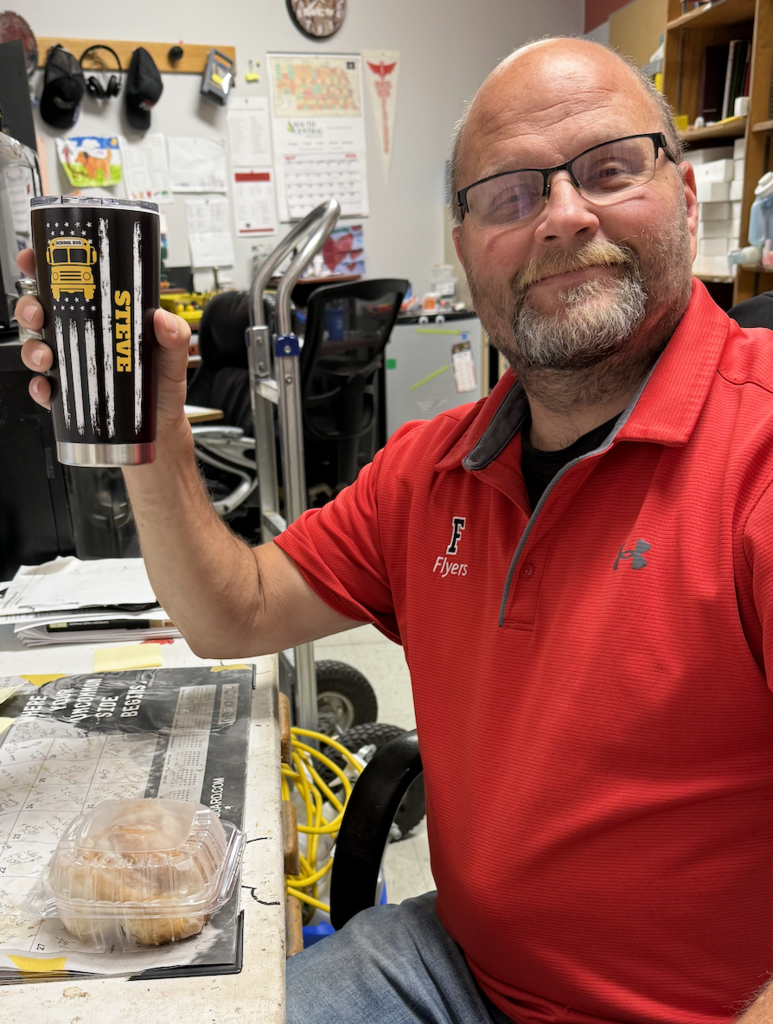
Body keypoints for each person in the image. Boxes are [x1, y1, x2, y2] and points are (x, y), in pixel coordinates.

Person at [16, 35, 773, 1024]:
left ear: (683, 193)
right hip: (455, 967)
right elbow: (231, 613)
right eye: (509, 192)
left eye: (608, 169)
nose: (561, 214)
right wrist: (152, 425)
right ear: (462, 246)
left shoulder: (756, 456)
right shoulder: (430, 469)